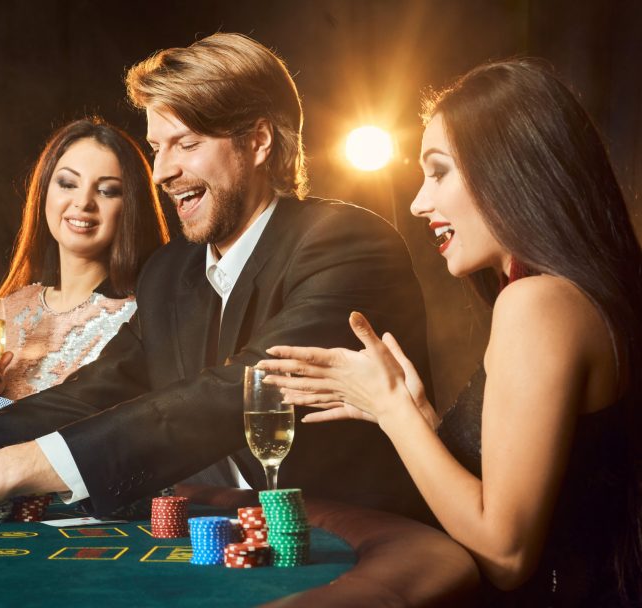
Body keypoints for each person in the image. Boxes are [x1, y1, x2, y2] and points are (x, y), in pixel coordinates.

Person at [0, 33, 432, 522]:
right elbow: (94, 391)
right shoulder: (171, 272)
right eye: (156, 146)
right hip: (213, 538)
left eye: (187, 144)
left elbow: (237, 393)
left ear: (256, 141)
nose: (165, 171)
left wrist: (7, 468)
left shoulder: (346, 243)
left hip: (350, 540)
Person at [259, 60, 642, 605]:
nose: (418, 202)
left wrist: (392, 410)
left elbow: (506, 556)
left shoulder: (537, 303)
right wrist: (420, 418)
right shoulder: (572, 297)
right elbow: (527, 490)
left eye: (437, 171)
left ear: (510, 169)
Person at [0, 117, 169, 402]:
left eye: (107, 191)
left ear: (130, 206)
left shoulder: (139, 319)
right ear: (44, 190)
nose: (83, 202)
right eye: (68, 184)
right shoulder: (11, 308)